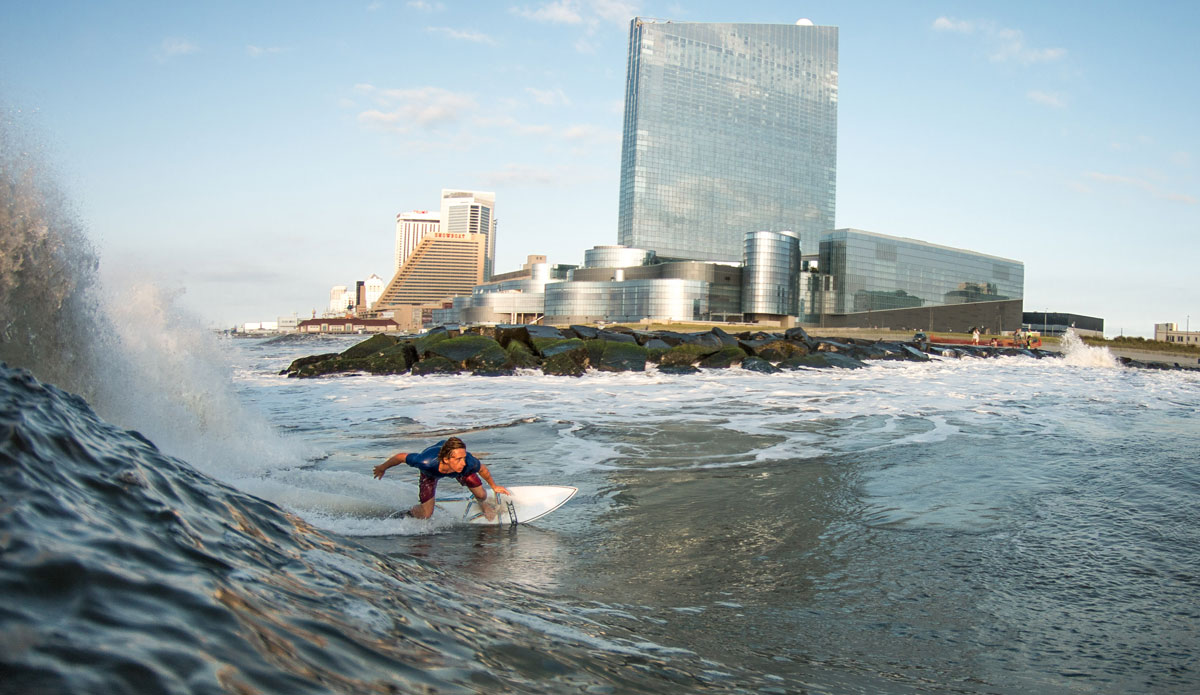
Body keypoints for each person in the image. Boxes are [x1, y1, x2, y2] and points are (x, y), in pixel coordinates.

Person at [373, 437, 510, 520]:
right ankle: (408, 513)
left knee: (482, 494)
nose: (463, 462)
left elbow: (483, 469)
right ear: (446, 459)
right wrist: (382, 467)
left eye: (463, 457)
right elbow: (401, 457)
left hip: (457, 471)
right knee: (426, 514)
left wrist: (493, 486)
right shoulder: (426, 462)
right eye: (458, 459)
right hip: (431, 474)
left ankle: (483, 505)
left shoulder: (467, 463)